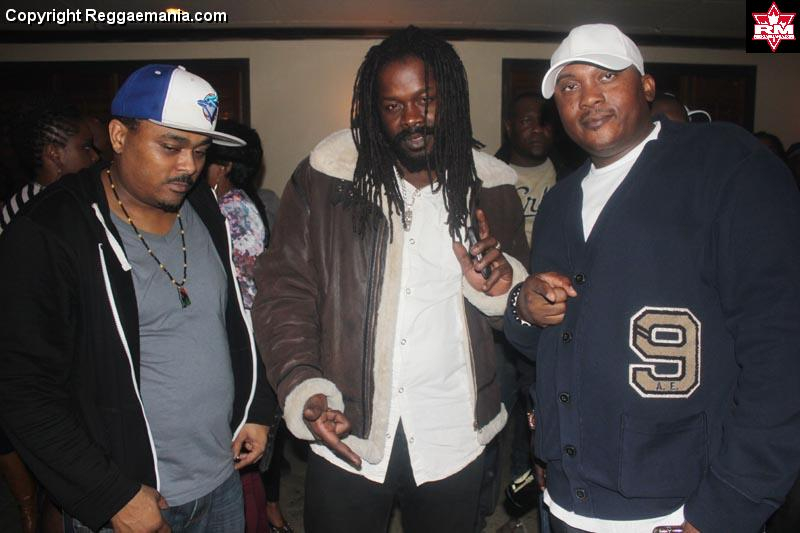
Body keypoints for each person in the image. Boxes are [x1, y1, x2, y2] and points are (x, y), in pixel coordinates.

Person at [504, 23, 800, 533]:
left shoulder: (725, 168)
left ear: (645, 85)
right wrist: (524, 310)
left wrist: (729, 506)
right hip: (565, 502)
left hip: (679, 511)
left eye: (606, 76)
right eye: (570, 85)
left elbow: (780, 353)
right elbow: (555, 347)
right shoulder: (558, 204)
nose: (588, 97)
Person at [252, 26, 529, 533]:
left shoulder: (494, 190)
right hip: (347, 429)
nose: (412, 118)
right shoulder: (325, 180)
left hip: (453, 438)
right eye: (393, 106)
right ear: (373, 112)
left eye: (425, 99)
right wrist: (302, 383)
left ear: (451, 99)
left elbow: (519, 315)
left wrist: (503, 292)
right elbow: (284, 291)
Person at [0, 64, 277, 533]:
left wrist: (255, 408)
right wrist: (109, 494)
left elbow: (237, 318)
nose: (189, 166)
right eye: (170, 146)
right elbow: (20, 387)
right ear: (118, 136)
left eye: (200, 151)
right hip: (131, 499)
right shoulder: (52, 231)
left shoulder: (204, 207)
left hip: (221, 479)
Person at [204, 120, 291, 533]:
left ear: (223, 167)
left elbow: (244, 290)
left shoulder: (231, 207)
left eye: (204, 157)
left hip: (246, 339)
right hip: (249, 335)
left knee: (243, 446)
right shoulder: (239, 200)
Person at [1, 98, 98, 234]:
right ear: (55, 154)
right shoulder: (36, 211)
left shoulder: (60, 196)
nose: (95, 156)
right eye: (86, 148)